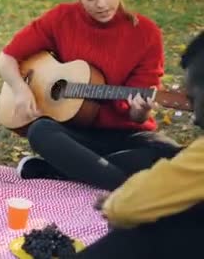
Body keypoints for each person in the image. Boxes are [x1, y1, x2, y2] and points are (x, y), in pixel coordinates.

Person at [0, 0, 181, 191]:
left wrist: (140, 110)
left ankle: (59, 171)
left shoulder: (146, 33)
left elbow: (137, 115)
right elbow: (7, 57)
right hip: (75, 137)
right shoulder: (61, 19)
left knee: (172, 155)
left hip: (125, 137)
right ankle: (125, 190)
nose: (102, 4)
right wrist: (20, 89)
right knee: (40, 130)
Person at [72, 30, 204, 258]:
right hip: (95, 140)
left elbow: (124, 210)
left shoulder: (145, 33)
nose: (194, 118)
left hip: (131, 142)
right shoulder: (64, 23)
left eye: (193, 99)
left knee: (146, 229)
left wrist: (120, 201)